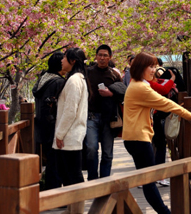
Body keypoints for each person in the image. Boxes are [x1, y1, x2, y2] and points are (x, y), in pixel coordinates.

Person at [122, 52, 191, 214]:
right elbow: (167, 104)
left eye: (155, 66)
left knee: (147, 180)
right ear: (141, 68)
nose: (154, 70)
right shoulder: (140, 87)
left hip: (134, 137)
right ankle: (165, 212)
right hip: (138, 139)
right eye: (151, 66)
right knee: (149, 181)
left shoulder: (137, 84)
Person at [52, 48, 89, 213]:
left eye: (65, 58)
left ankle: (77, 210)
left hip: (69, 135)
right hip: (72, 134)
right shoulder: (78, 79)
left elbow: (70, 111)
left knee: (72, 176)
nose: (62, 61)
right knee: (70, 175)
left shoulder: (74, 80)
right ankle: (74, 210)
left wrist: (59, 134)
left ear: (73, 61)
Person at [85, 44, 123, 180]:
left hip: (109, 118)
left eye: (105, 55)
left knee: (107, 153)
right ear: (96, 57)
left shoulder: (115, 74)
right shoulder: (87, 72)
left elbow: (123, 93)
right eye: (100, 55)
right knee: (91, 149)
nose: (102, 58)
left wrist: (111, 94)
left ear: (110, 57)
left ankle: (105, 180)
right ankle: (93, 179)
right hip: (91, 116)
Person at [32, 51, 67, 190]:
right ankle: (55, 193)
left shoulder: (42, 79)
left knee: (52, 161)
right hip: (53, 127)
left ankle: (52, 190)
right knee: (57, 162)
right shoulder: (58, 82)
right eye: (64, 60)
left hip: (42, 126)